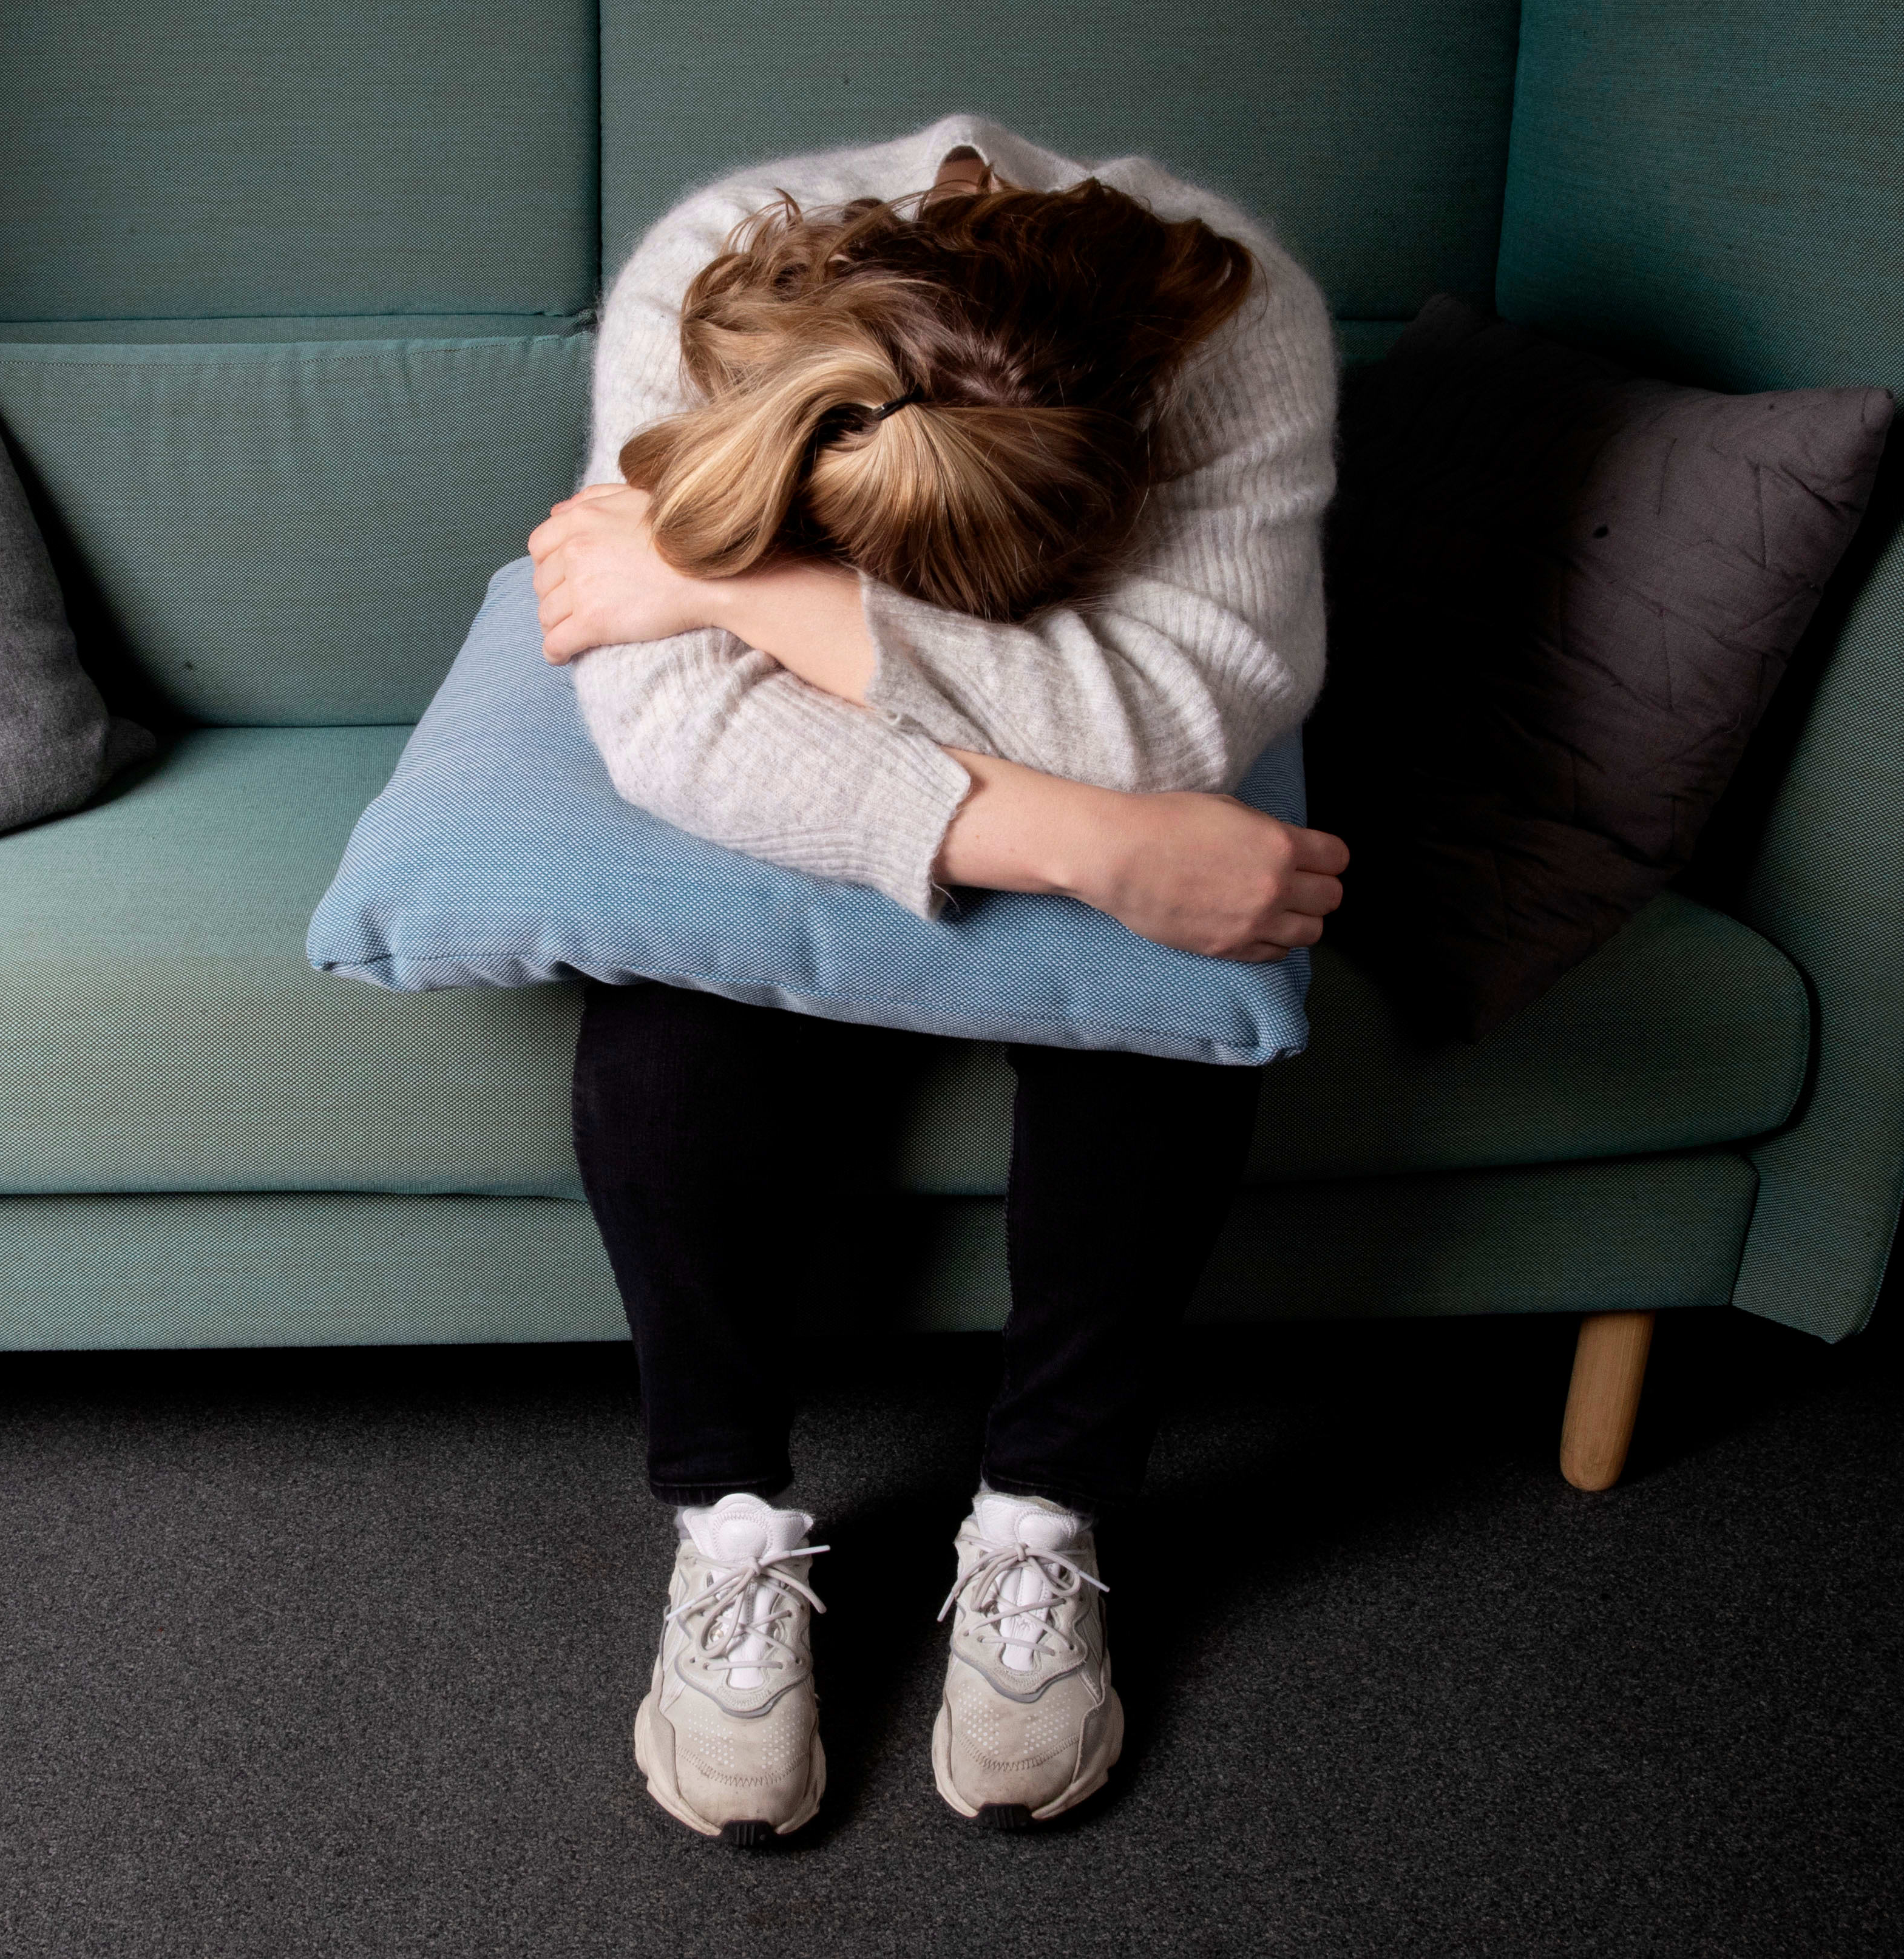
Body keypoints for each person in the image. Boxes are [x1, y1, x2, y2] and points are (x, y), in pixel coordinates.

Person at [526, 115, 1345, 1844]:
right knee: (666, 1022)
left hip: (981, 725)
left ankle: (1044, 1514)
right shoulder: (701, 280)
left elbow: (1176, 710)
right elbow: (673, 729)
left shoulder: (1238, 321)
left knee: (1162, 1022)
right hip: (890, 800)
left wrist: (761, 603)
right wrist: (1096, 839)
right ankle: (724, 1524)